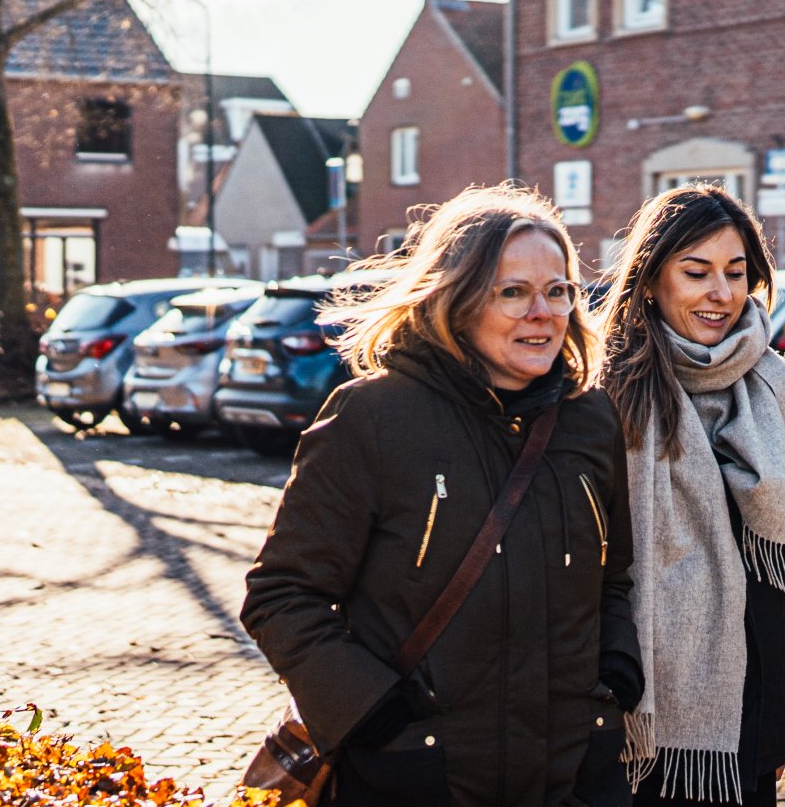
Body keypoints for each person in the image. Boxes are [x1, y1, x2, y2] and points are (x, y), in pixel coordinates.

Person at [240, 185, 639, 807]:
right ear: (455, 300)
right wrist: (367, 709)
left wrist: (615, 671)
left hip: (570, 774)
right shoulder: (373, 417)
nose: (543, 312)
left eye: (558, 290)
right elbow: (282, 595)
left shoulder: (590, 419)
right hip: (418, 776)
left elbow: (614, 577)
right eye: (512, 292)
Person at [597, 185, 785, 807]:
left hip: (755, 704)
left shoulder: (779, 389)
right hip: (642, 709)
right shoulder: (608, 394)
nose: (721, 294)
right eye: (696, 272)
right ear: (651, 279)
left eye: (736, 273)